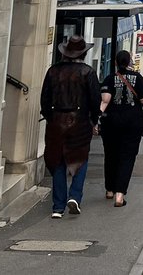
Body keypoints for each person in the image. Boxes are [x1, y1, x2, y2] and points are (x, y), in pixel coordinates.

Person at [40, 34, 101, 218]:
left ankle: (57, 206)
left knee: (57, 161)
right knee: (80, 159)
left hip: (57, 121)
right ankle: (74, 196)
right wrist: (94, 120)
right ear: (82, 53)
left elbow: (44, 98)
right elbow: (94, 99)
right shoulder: (88, 72)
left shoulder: (53, 71)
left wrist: (50, 117)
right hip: (80, 121)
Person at [97, 50, 143, 207]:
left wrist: (96, 120)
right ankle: (120, 195)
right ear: (129, 62)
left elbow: (105, 100)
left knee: (110, 155)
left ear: (115, 62)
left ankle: (109, 189)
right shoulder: (138, 78)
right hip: (132, 122)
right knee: (127, 157)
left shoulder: (109, 78)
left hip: (111, 123)